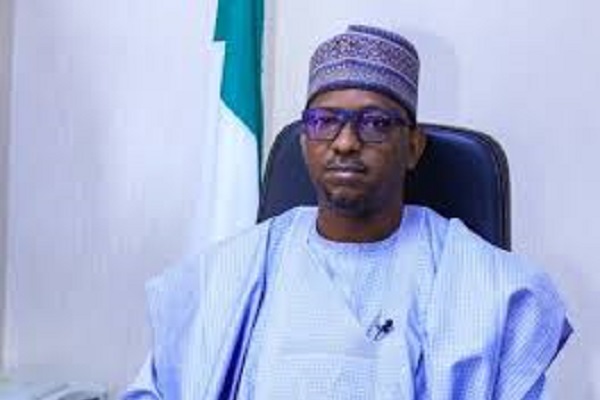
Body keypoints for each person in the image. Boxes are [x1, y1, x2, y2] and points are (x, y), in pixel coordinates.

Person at [123, 25, 571, 399]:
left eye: (375, 123)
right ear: (305, 141)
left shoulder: (488, 287)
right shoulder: (229, 274)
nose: (345, 142)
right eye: (324, 121)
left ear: (413, 146)